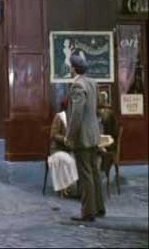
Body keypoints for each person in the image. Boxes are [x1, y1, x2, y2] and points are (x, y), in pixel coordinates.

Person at [65, 54, 105, 222]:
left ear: (74, 68)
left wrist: (69, 136)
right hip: (93, 134)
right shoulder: (92, 83)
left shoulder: (77, 86)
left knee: (86, 174)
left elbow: (77, 114)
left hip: (82, 136)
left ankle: (88, 212)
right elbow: (95, 108)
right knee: (94, 171)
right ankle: (99, 208)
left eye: (70, 66)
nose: (69, 68)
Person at [48, 97, 78, 198]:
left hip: (68, 149)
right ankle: (65, 187)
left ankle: (69, 188)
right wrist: (64, 139)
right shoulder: (59, 117)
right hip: (57, 150)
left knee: (80, 161)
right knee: (70, 161)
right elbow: (53, 134)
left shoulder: (73, 119)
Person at [97, 91, 119, 173]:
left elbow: (114, 132)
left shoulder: (109, 113)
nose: (99, 101)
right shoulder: (96, 112)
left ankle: (100, 170)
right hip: (98, 140)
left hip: (109, 142)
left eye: (101, 99)